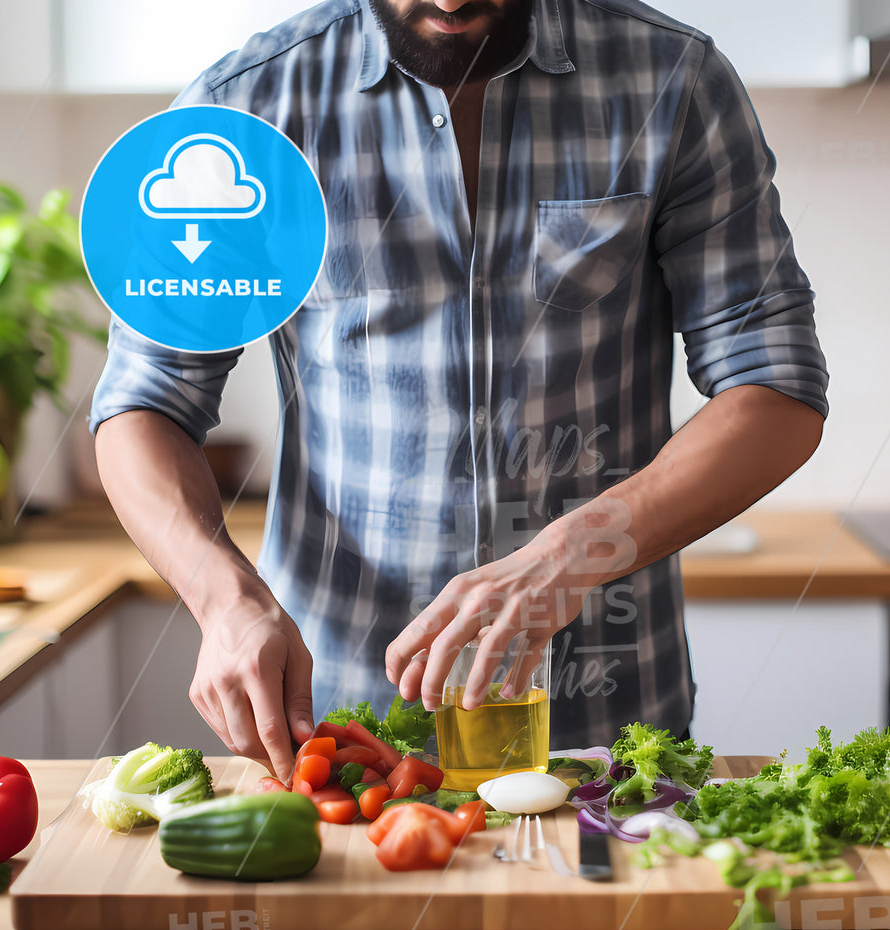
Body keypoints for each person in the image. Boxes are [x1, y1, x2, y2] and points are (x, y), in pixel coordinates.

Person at [90, 0, 828, 778]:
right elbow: (145, 401)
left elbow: (774, 384)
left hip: (607, 723)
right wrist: (224, 599)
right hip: (338, 732)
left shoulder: (673, 80)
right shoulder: (246, 106)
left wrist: (575, 551)